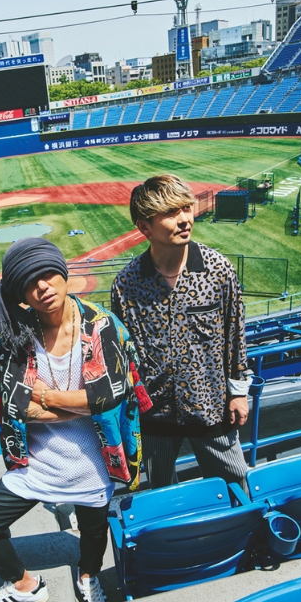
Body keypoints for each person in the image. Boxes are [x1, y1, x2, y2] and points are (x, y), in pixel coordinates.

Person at [0, 237, 148, 602]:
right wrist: (82, 403)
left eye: (47, 274)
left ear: (63, 273)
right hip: (37, 466)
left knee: (93, 536)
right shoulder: (17, 335)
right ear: (21, 293)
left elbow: (110, 395)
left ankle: (88, 578)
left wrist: (46, 396)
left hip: (95, 464)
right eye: (30, 282)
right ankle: (24, 585)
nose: (42, 286)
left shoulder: (101, 325)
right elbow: (15, 406)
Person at [111, 174, 252, 490]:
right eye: (171, 213)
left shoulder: (218, 270)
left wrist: (239, 393)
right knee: (162, 492)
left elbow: (236, 335)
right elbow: (125, 356)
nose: (185, 219)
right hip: (155, 416)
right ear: (144, 227)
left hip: (212, 406)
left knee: (236, 484)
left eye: (186, 208)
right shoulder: (126, 285)